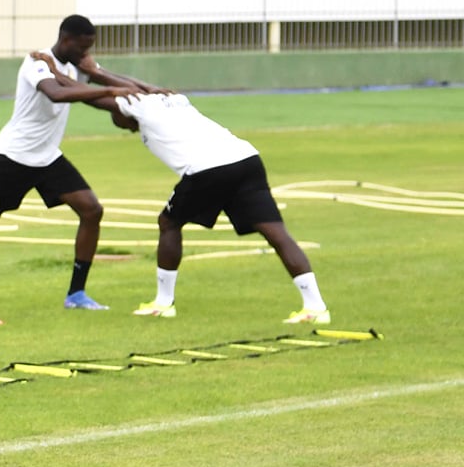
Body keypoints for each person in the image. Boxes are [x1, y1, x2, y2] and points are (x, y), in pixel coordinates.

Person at [0, 15, 162, 311]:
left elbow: (98, 95)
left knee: (91, 210)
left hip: (47, 157)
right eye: (83, 48)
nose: (86, 54)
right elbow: (57, 93)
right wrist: (111, 90)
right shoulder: (37, 62)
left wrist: (141, 94)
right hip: (13, 157)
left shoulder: (74, 67)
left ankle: (76, 294)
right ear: (66, 39)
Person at [109, 92, 330, 323]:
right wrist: (97, 74)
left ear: (127, 114)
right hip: (246, 159)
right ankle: (316, 307)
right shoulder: (170, 102)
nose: (127, 129)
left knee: (169, 222)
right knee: (275, 232)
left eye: (121, 123)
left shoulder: (145, 112)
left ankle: (163, 303)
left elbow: (95, 98)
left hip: (209, 169)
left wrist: (93, 74)